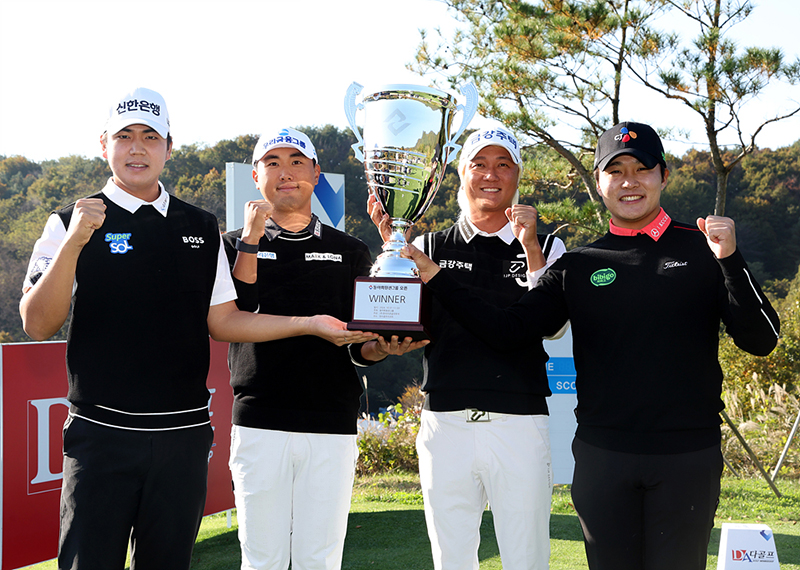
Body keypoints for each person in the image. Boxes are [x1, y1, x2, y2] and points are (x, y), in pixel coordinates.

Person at [19, 89, 374, 570]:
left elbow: (225, 321)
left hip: (181, 438)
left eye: (150, 136)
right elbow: (37, 322)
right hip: (101, 434)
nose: (138, 148)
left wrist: (308, 324)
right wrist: (76, 243)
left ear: (169, 146)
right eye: (125, 136)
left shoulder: (201, 227)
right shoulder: (69, 221)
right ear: (105, 144)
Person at [404, 121, 780, 570]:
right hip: (603, 459)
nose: (628, 181)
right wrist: (436, 275)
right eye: (614, 170)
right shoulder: (579, 264)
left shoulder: (704, 249)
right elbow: (508, 330)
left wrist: (731, 260)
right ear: (599, 182)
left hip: (687, 456)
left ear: (664, 176)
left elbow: (761, 340)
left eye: (641, 169)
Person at [223, 127, 426, 570]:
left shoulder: (350, 250)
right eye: (272, 163)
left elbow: (359, 347)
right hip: (261, 420)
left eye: (297, 162)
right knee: (262, 558)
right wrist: (251, 241)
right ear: (256, 175)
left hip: (330, 420)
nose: (286, 173)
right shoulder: (233, 245)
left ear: (316, 173)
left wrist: (382, 348)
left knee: (321, 558)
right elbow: (240, 313)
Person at [369, 126, 566, 570]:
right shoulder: (428, 246)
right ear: (462, 174)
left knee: (527, 557)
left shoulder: (548, 246)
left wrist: (530, 246)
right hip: (446, 424)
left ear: (518, 175)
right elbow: (398, 321)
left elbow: (552, 326)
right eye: (479, 163)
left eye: (503, 164)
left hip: (519, 422)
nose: (490, 174)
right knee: (452, 558)